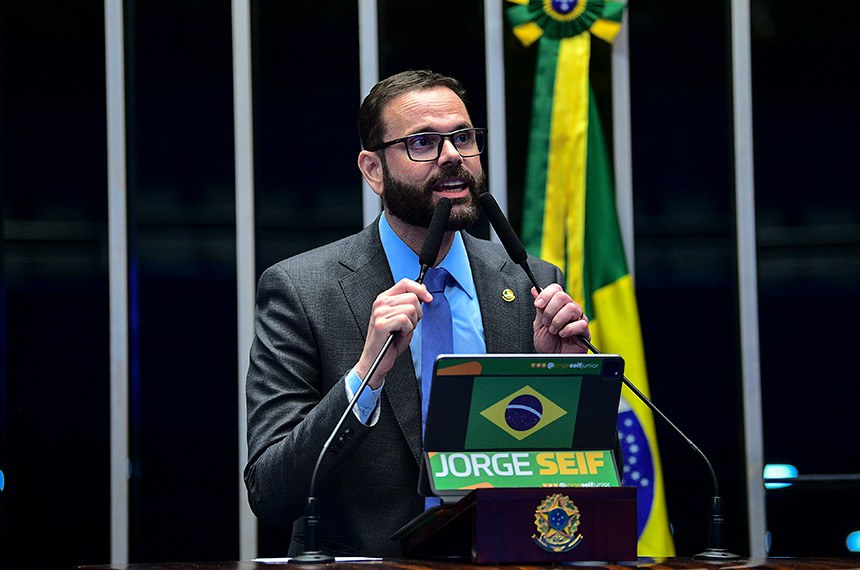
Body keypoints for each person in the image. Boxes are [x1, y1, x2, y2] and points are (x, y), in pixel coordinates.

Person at [244, 70, 591, 557]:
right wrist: (365, 375)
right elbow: (270, 490)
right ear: (373, 170)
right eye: (423, 142)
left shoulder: (530, 281)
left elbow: (571, 484)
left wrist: (561, 378)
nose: (452, 156)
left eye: (463, 138)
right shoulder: (303, 290)